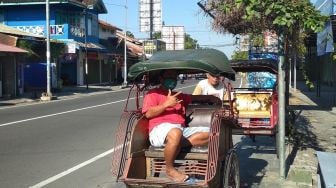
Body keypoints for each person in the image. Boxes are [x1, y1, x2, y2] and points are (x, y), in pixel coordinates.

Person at [142, 70, 221, 182]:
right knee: (175, 133)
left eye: (174, 76)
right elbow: (148, 113)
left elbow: (195, 98)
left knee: (213, 133)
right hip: (160, 130)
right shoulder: (152, 93)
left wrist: (211, 98)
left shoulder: (178, 95)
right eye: (169, 75)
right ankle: (170, 170)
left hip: (181, 130)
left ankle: (178, 144)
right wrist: (166, 104)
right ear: (161, 78)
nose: (172, 79)